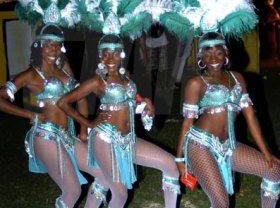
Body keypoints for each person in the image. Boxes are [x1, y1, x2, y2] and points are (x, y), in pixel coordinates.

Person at [58, 34, 180, 208]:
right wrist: (88, 123)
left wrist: (146, 105)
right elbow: (63, 102)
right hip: (105, 139)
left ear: (122, 54)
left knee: (170, 165)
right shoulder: (97, 81)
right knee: (120, 194)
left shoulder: (127, 78)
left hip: (128, 139)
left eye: (115, 53)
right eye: (105, 53)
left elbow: (130, 104)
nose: (110, 58)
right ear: (100, 56)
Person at [0, 24, 110, 208]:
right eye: (48, 44)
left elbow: (80, 96)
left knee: (103, 175)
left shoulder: (64, 69)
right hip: (46, 136)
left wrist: (83, 130)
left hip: (67, 135)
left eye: (57, 44)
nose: (54, 49)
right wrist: (30, 114)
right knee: (72, 190)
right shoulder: (31, 74)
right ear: (39, 46)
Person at [175, 31, 280, 207]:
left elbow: (250, 117)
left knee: (274, 171)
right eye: (207, 54)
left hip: (228, 145)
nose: (213, 58)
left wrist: (266, 152)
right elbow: (187, 123)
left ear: (225, 54)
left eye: (217, 52)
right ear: (201, 57)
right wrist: (179, 159)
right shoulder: (196, 83)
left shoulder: (237, 78)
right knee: (221, 203)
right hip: (200, 145)